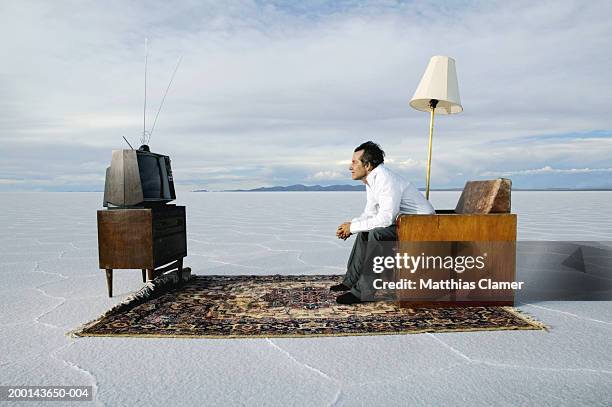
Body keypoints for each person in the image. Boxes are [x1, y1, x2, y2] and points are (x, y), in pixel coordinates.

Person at [333, 141, 435, 304]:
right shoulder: (372, 180)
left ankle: (363, 292)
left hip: (421, 226)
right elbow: (370, 213)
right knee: (365, 231)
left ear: (367, 165)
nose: (350, 167)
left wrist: (352, 227)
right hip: (406, 224)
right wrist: (350, 226)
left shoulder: (385, 179)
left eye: (354, 162)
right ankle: (351, 280)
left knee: (377, 233)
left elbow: (385, 219)